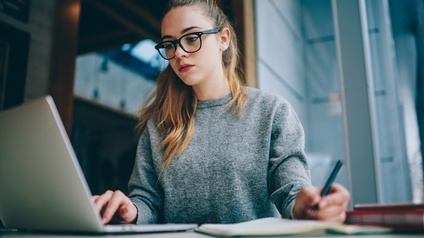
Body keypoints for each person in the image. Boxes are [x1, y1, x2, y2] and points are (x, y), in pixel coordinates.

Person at [93, 0, 350, 225]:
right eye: (169, 44)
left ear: (223, 39)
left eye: (191, 38)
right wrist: (132, 210)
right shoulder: (160, 124)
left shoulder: (271, 111)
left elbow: (291, 192)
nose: (179, 53)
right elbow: (147, 200)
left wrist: (305, 205)